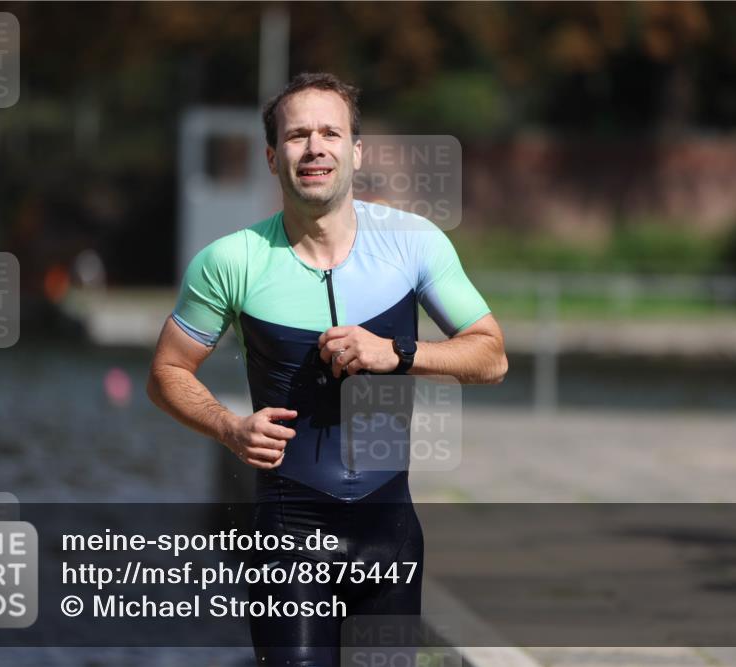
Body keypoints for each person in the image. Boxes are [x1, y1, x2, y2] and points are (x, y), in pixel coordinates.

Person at [147, 72, 507, 666]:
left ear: (355, 151)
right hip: (287, 539)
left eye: (330, 133)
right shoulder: (230, 260)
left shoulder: (414, 243)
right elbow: (166, 372)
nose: (315, 147)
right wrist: (228, 427)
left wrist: (400, 354)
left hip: (388, 538)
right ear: (272, 156)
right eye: (297, 136)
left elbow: (491, 354)